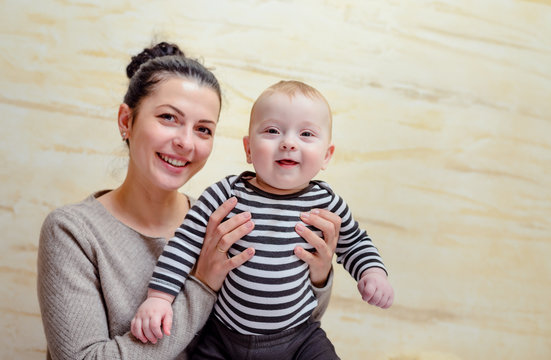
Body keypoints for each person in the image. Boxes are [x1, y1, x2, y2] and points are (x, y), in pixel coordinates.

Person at [37, 42, 340, 360]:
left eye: (203, 129)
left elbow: (278, 334)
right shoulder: (72, 231)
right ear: (126, 121)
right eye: (168, 117)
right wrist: (203, 285)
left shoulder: (224, 219)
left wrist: (318, 277)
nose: (185, 142)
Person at [132, 80, 394, 359]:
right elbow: (184, 243)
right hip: (223, 336)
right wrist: (159, 298)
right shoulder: (226, 194)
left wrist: (372, 272)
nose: (289, 143)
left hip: (298, 338)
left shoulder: (326, 203)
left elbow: (354, 243)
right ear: (248, 148)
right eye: (272, 131)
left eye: (306, 134)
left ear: (327, 155)